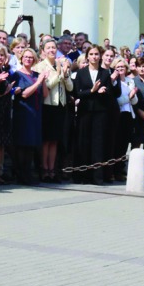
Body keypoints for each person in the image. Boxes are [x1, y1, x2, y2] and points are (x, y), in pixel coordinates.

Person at [70, 45, 114, 186]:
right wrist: (92, 90)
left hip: (100, 113)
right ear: (87, 56)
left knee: (98, 144)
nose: (94, 57)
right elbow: (77, 93)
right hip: (85, 112)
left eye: (96, 54)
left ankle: (97, 177)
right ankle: (82, 176)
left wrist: (104, 91)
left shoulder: (105, 73)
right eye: (92, 54)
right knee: (83, 143)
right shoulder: (81, 73)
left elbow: (111, 94)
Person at [34, 39, 71, 183]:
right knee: (46, 140)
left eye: (53, 48)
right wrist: (59, 74)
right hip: (47, 105)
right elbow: (46, 86)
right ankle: (44, 170)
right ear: (43, 50)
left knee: (55, 140)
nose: (51, 50)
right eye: (48, 48)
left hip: (60, 105)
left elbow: (69, 87)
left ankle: (52, 169)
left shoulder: (60, 64)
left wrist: (65, 73)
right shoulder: (40, 67)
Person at [9, 46, 46, 185]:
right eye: (26, 57)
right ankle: (20, 173)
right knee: (22, 143)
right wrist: (37, 82)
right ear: (21, 58)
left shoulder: (37, 74)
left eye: (31, 57)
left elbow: (45, 94)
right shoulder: (17, 74)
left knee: (31, 144)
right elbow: (24, 94)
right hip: (23, 112)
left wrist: (42, 81)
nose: (28, 59)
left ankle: (28, 173)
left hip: (35, 113)